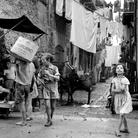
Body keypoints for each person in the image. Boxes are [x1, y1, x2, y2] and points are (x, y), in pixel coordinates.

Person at [111, 63, 133, 137]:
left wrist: (117, 88)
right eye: (117, 68)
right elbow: (112, 90)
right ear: (115, 70)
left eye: (121, 68)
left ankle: (118, 130)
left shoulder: (125, 79)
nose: (119, 69)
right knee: (122, 114)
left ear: (124, 70)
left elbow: (122, 89)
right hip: (118, 98)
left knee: (122, 113)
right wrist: (117, 90)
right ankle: (126, 128)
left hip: (125, 99)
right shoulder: (114, 79)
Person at [39, 53, 60, 127]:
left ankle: (50, 118)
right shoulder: (42, 69)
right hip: (46, 88)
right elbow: (39, 77)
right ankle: (49, 120)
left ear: (48, 60)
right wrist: (41, 81)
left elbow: (58, 78)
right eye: (42, 60)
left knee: (53, 106)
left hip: (54, 87)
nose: (42, 61)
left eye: (43, 60)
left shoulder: (55, 68)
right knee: (47, 106)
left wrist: (49, 75)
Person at [14, 59, 35, 126]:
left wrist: (16, 65)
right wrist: (31, 85)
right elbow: (33, 76)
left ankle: (23, 121)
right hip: (28, 85)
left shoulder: (20, 64)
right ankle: (26, 117)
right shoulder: (31, 64)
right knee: (26, 102)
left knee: (21, 103)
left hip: (20, 84)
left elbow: (16, 72)